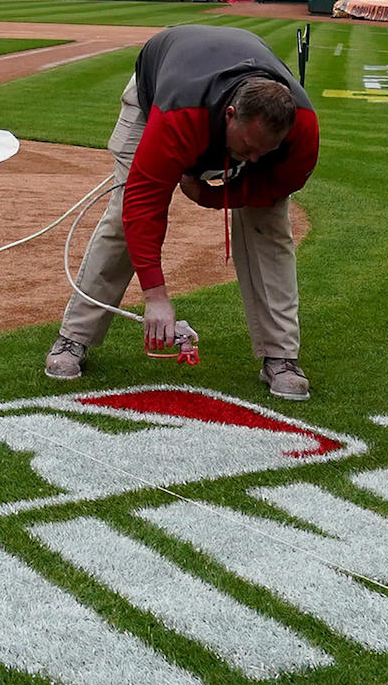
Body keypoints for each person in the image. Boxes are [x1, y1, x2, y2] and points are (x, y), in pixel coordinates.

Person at [49, 20, 322, 401]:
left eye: (266, 150)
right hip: (159, 94)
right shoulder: (179, 116)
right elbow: (144, 203)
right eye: (248, 146)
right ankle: (74, 337)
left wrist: (208, 196)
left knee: (270, 227)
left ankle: (281, 356)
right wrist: (156, 297)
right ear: (230, 115)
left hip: (215, 85)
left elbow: (274, 188)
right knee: (120, 217)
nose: (256, 158)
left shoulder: (302, 129)